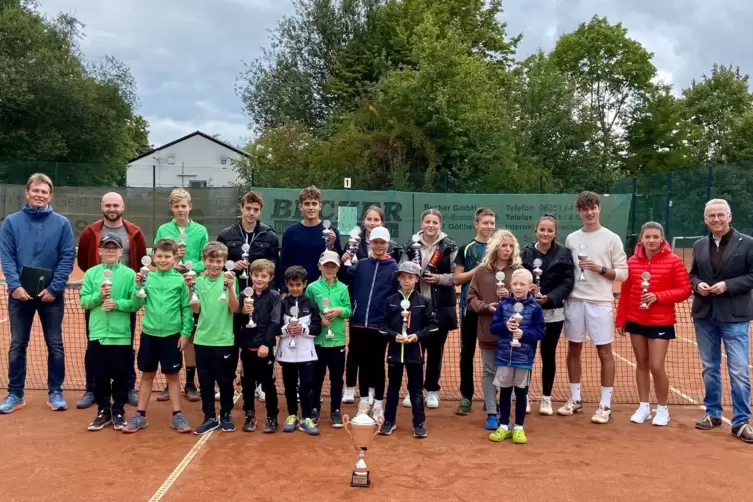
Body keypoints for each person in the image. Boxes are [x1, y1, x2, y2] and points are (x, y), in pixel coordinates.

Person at [0, 173, 74, 414]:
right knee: (17, 344)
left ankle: (55, 392)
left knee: (55, 344)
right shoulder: (11, 222)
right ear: (27, 192)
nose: (39, 195)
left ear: (50, 195)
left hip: (51, 297)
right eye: (36, 191)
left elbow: (66, 257)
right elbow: (7, 257)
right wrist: (15, 286)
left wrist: (54, 288)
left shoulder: (62, 223)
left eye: (44, 192)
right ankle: (15, 394)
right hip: (19, 296)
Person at [559, 191, 628, 424]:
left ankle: (605, 405)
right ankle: (575, 400)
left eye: (593, 208)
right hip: (575, 301)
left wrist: (600, 269)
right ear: (579, 212)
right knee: (573, 350)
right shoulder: (571, 239)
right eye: (584, 209)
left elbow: (623, 273)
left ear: (599, 208)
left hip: (601, 303)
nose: (589, 212)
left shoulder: (612, 238)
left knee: (604, 352)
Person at [689, 199, 753, 442]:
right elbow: (693, 274)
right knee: (709, 367)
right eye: (711, 216)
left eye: (720, 215)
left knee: (738, 370)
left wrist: (728, 285)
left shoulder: (748, 244)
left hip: (734, 315)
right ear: (705, 219)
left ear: (730, 216)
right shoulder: (699, 245)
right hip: (704, 314)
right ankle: (713, 414)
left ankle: (740, 422)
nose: (716, 219)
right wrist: (699, 285)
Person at [76, 191, 147, 409]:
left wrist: (130, 285)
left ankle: (127, 387)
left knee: (125, 345)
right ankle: (92, 389)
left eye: (116, 205)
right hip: (98, 298)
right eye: (108, 205)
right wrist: (97, 284)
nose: (112, 209)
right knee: (93, 345)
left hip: (125, 296)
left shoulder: (134, 232)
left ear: (123, 206)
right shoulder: (91, 232)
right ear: (102, 206)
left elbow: (141, 262)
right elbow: (83, 262)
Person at [616, 222, 691, 426]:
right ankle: (643, 406)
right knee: (641, 364)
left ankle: (663, 409)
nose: (651, 240)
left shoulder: (674, 261)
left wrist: (658, 296)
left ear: (662, 238)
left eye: (655, 237)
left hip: (661, 321)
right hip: (635, 319)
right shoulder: (631, 262)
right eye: (647, 237)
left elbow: (685, 290)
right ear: (641, 238)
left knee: (656, 366)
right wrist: (621, 319)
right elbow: (625, 292)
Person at [122, 238, 193, 434]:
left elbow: (186, 309)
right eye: (159, 256)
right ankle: (140, 416)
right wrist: (137, 288)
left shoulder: (180, 280)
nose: (163, 260)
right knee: (147, 375)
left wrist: (185, 333)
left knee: (172, 376)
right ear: (153, 257)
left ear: (174, 258)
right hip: (149, 335)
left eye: (167, 256)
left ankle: (177, 415)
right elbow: (136, 305)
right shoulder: (147, 278)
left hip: (172, 336)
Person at [218, 190, 279, 404]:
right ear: (241, 208)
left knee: (261, 338)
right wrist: (234, 267)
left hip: (261, 300)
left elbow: (273, 267)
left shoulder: (269, 235)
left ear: (260, 210)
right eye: (247, 208)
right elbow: (218, 263)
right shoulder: (226, 235)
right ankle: (229, 383)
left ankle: (262, 384)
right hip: (233, 297)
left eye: (255, 209)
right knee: (231, 340)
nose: (251, 213)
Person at [341, 205, 401, 405]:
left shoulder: (394, 267)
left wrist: (389, 319)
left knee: (377, 363)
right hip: (358, 322)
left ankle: (378, 403)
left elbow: (396, 297)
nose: (378, 246)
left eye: (382, 242)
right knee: (363, 363)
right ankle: (364, 401)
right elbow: (343, 280)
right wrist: (343, 262)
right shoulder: (360, 265)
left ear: (387, 244)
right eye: (375, 242)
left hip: (380, 324)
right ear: (369, 242)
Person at [80, 234, 141, 431]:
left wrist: (117, 304)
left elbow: (135, 303)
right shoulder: (91, 274)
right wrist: (99, 296)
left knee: (121, 375)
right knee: (100, 375)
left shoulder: (130, 275)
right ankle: (103, 411)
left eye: (114, 248)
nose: (110, 251)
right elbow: (84, 302)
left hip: (120, 335)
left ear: (121, 252)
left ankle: (119, 410)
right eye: (107, 248)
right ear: (100, 251)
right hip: (98, 334)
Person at [153, 188, 209, 402]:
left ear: (190, 206)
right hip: (168, 286)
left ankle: (190, 383)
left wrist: (189, 265)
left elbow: (206, 258)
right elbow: (157, 256)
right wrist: (174, 263)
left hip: (192, 285)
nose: (180, 210)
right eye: (176, 206)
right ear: (171, 208)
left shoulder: (200, 230)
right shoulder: (163, 229)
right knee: (172, 334)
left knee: (191, 336)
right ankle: (170, 382)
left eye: (183, 206)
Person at [401, 209, 457, 409]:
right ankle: (412, 390)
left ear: (439, 225)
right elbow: (402, 270)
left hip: (440, 307)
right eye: (427, 222)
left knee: (435, 351)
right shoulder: (411, 245)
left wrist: (440, 279)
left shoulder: (449, 246)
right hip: (414, 306)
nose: (431, 225)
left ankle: (432, 390)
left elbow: (456, 275)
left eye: (434, 222)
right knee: (414, 350)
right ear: (422, 223)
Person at [467, 229, 522, 430]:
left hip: (512, 332)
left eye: (510, 246)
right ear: (495, 246)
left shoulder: (518, 271)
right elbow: (470, 298)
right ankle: (491, 412)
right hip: (488, 329)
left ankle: (507, 412)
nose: (507, 249)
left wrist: (511, 294)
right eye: (503, 245)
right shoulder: (481, 271)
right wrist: (486, 307)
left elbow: (526, 300)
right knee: (489, 371)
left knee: (509, 371)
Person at [520, 215, 575, 416]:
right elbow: (518, 279)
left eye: (549, 230)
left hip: (554, 313)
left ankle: (546, 398)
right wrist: (527, 290)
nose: (545, 233)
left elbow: (568, 283)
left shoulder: (564, 254)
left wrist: (550, 297)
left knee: (548, 355)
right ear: (536, 230)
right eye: (542, 229)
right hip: (528, 313)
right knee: (527, 355)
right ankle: (524, 396)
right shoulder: (525, 253)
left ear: (555, 233)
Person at [379, 261, 438, 438]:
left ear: (416, 279)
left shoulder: (424, 302)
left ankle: (419, 423)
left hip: (415, 353)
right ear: (398, 279)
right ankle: (389, 421)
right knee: (392, 389)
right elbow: (382, 325)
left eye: (410, 277)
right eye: (403, 277)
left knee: (416, 390)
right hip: (395, 353)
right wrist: (393, 336)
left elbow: (433, 326)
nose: (406, 280)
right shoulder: (390, 302)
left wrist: (417, 336)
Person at [186, 241, 240, 435]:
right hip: (202, 340)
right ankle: (209, 417)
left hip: (224, 341)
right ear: (204, 261)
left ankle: (225, 415)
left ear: (225, 261)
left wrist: (231, 287)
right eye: (211, 260)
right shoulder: (198, 281)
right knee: (206, 382)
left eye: (219, 261)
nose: (215, 265)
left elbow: (234, 308)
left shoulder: (230, 280)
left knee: (226, 382)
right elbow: (196, 308)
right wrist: (190, 289)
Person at [488, 269, 545, 444]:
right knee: (504, 392)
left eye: (522, 284)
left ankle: (519, 427)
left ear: (530, 287)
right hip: (504, 357)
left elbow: (540, 331)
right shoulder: (503, 305)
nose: (518, 287)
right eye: (515, 284)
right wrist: (505, 325)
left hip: (524, 358)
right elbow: (493, 329)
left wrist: (524, 333)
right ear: (510, 285)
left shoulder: (535, 308)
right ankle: (504, 425)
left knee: (521, 393)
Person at [454, 207, 496, 415]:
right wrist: (476, 271)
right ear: (476, 224)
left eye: (492, 223)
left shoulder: (499, 248)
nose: (489, 226)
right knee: (467, 353)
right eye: (485, 222)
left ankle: (492, 396)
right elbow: (457, 279)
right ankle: (466, 397)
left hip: (493, 310)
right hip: (469, 307)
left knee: (494, 352)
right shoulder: (466, 248)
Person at [306, 250, 352, 428]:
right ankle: (314, 408)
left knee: (337, 378)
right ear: (320, 267)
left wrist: (340, 311)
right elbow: (307, 310)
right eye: (326, 265)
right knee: (316, 378)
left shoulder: (343, 288)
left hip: (338, 341)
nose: (330, 268)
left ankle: (335, 411)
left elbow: (349, 310)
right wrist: (319, 318)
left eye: (333, 265)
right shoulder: (311, 288)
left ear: (338, 268)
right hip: (318, 341)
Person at [277, 266, 322, 436]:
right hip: (287, 354)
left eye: (298, 284)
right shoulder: (282, 304)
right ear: (287, 285)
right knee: (289, 387)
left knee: (307, 387)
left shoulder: (311, 304)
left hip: (306, 354)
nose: (295, 288)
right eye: (291, 285)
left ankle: (307, 418)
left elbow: (317, 328)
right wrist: (287, 329)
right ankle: (292, 416)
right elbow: (275, 327)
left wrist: (303, 329)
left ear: (304, 284)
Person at [237, 259, 281, 433]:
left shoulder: (275, 297)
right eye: (256, 275)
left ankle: (272, 416)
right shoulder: (243, 295)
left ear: (270, 278)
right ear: (251, 275)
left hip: (265, 349)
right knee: (247, 384)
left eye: (264, 276)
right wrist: (242, 313)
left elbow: (275, 321)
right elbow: (238, 321)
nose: (259, 279)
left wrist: (266, 344)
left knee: (268, 385)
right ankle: (249, 415)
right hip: (247, 347)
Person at [277, 186, 343, 293]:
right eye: (307, 204)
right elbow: (284, 263)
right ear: (300, 207)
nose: (311, 207)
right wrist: (284, 290)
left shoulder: (331, 232)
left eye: (314, 203)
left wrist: (331, 246)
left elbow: (338, 263)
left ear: (320, 206)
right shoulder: (290, 232)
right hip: (297, 290)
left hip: (324, 290)